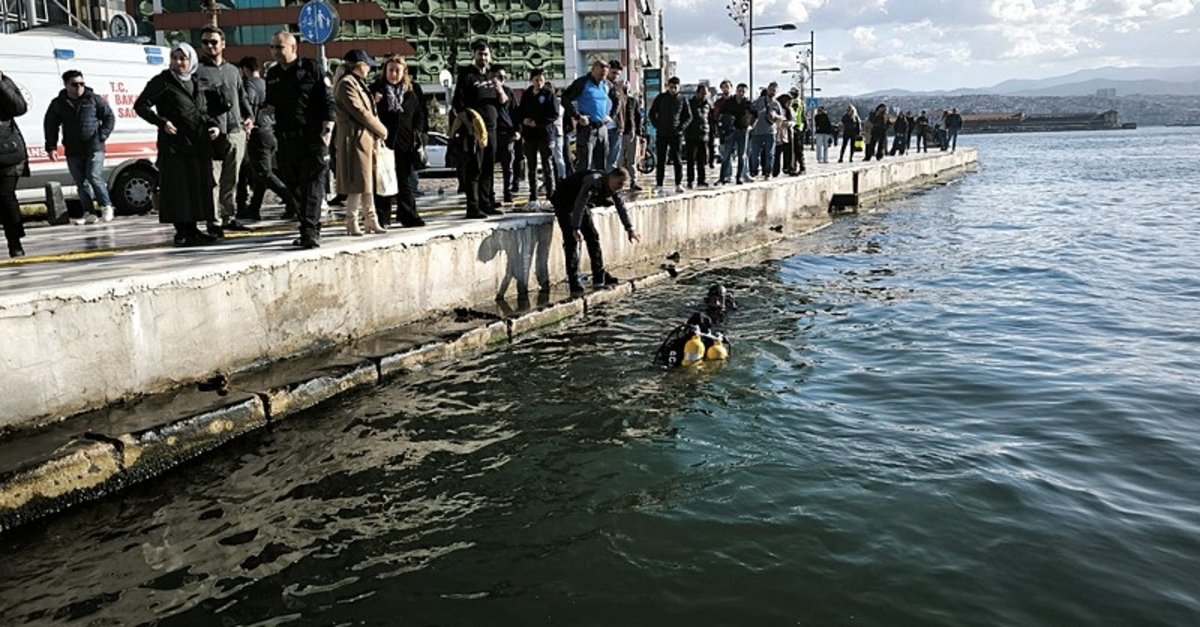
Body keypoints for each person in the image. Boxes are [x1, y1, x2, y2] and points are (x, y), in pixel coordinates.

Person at [133, 43, 224, 247]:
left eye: (183, 59)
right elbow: (141, 106)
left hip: (197, 145)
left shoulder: (196, 81)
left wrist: (213, 126)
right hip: (174, 146)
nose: (178, 63)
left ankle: (193, 229)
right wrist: (162, 122)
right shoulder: (162, 81)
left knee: (196, 187)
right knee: (178, 189)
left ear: (191, 61)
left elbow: (204, 112)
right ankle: (181, 231)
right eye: (175, 58)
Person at [265, 30, 335, 249]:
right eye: (273, 47)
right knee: (294, 186)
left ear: (293, 48)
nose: (276, 51)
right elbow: (271, 104)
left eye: (280, 47)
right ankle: (307, 227)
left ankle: (310, 232)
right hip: (286, 140)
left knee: (312, 185)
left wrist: (328, 129)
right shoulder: (273, 74)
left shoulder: (311, 69)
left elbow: (328, 100)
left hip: (312, 137)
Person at [196, 26, 254, 236]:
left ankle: (228, 216)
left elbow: (242, 96)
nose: (209, 46)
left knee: (232, 178)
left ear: (223, 44)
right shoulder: (199, 72)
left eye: (213, 42)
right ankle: (214, 221)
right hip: (215, 133)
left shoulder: (233, 70)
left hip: (236, 130)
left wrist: (249, 117)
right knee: (214, 179)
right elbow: (197, 105)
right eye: (205, 42)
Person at [550, 167, 641, 295]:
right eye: (619, 183)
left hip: (580, 202)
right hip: (564, 200)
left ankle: (599, 273)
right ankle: (573, 280)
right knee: (571, 241)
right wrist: (576, 228)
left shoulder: (614, 187)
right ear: (611, 177)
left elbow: (621, 206)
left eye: (623, 185)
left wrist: (630, 229)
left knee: (592, 236)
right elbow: (580, 204)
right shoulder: (593, 181)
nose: (620, 187)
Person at [43, 70, 116, 224]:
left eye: (82, 83)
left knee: (94, 176)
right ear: (66, 85)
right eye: (74, 84)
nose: (79, 87)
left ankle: (106, 206)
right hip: (73, 148)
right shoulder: (58, 104)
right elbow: (51, 125)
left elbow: (109, 117)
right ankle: (89, 212)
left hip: (94, 146)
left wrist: (101, 135)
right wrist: (51, 147)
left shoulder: (93, 99)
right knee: (81, 182)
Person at [333, 50, 388, 236]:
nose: (369, 68)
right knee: (357, 182)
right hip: (354, 138)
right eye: (367, 65)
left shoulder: (357, 83)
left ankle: (371, 219)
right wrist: (382, 129)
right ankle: (352, 220)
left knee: (367, 182)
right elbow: (360, 112)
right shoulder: (347, 84)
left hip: (364, 138)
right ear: (359, 66)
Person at [369, 55, 426, 228]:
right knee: (383, 180)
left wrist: (419, 136)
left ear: (404, 72)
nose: (393, 74)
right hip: (384, 142)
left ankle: (408, 214)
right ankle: (383, 217)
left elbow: (420, 115)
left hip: (407, 142)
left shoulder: (412, 90)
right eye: (390, 70)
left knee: (406, 181)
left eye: (397, 71)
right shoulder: (376, 89)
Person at [452, 40, 507, 218]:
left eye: (485, 54)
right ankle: (473, 206)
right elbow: (457, 104)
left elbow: (504, 102)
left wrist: (499, 89)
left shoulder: (492, 75)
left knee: (489, 168)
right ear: (474, 55)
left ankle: (486, 202)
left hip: (492, 128)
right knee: (474, 168)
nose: (483, 57)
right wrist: (469, 125)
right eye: (479, 54)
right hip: (474, 129)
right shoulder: (467, 75)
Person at [236, 56, 292, 221]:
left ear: (244, 69)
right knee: (259, 173)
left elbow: (248, 103)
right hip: (271, 132)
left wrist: (248, 119)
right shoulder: (266, 83)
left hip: (257, 132)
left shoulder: (249, 84)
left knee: (264, 172)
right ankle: (254, 207)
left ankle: (293, 200)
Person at [517, 68, 558, 205]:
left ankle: (551, 194)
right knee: (531, 165)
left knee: (547, 164)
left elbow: (553, 114)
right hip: (530, 135)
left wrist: (538, 122)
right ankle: (533, 195)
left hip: (545, 133)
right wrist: (524, 120)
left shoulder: (548, 94)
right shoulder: (527, 94)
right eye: (536, 80)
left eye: (541, 80)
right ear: (531, 80)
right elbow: (520, 111)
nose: (539, 83)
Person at [561, 60, 611, 172]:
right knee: (585, 164)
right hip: (587, 128)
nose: (602, 75)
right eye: (600, 72)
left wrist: (610, 115)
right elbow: (565, 99)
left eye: (604, 73)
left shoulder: (605, 85)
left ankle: (599, 188)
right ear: (593, 69)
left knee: (602, 164)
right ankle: (582, 188)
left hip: (602, 128)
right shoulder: (582, 83)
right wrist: (577, 116)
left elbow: (617, 98)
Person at [0, 69, 29, 257]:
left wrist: (0, 83)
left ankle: (15, 242)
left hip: (6, 151)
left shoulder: (4, 82)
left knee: (4, 195)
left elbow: (19, 108)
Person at [648, 76, 690, 193]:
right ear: (668, 86)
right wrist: (657, 125)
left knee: (677, 159)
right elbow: (652, 113)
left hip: (676, 134)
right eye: (671, 87)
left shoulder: (682, 99)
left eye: (675, 87)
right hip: (662, 133)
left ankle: (678, 184)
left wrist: (681, 127)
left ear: (678, 87)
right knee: (661, 160)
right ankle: (659, 185)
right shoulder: (660, 98)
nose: (673, 90)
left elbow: (688, 116)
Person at [492, 65, 521, 205]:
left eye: (504, 77)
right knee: (488, 166)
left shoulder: (509, 92)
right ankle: (489, 195)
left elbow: (515, 113)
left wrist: (517, 130)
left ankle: (507, 192)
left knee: (507, 166)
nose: (502, 79)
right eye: (499, 76)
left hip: (507, 133)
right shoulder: (488, 92)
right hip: (491, 133)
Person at [715, 81, 752, 185]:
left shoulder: (747, 103)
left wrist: (750, 126)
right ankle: (722, 178)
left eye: (743, 92)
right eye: (739, 91)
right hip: (730, 132)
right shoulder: (730, 102)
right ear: (736, 91)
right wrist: (723, 128)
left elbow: (755, 115)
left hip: (743, 131)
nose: (741, 93)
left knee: (742, 155)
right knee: (726, 155)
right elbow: (721, 115)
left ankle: (739, 177)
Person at [748, 83, 782, 179]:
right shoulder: (758, 102)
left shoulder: (776, 104)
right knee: (754, 154)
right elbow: (751, 113)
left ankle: (768, 172)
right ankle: (754, 171)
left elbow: (781, 117)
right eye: (771, 89)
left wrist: (775, 116)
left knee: (770, 154)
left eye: (774, 90)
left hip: (770, 132)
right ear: (767, 90)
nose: (772, 92)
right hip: (757, 132)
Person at [684, 84, 711, 188]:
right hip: (691, 135)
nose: (704, 95)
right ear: (697, 93)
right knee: (691, 160)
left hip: (704, 135)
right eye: (702, 93)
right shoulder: (690, 104)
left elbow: (710, 120)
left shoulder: (707, 105)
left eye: (706, 93)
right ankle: (690, 180)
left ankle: (701, 180)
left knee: (702, 160)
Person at [619, 87, 643, 191]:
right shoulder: (617, 100)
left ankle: (634, 181)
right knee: (618, 160)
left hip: (631, 133)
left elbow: (637, 117)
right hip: (619, 132)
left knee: (631, 160)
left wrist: (638, 132)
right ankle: (618, 182)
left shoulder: (633, 101)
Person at [605, 60, 626, 172]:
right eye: (613, 73)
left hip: (617, 127)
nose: (615, 76)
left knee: (613, 160)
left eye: (618, 74)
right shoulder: (601, 85)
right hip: (603, 126)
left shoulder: (619, 87)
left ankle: (610, 185)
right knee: (601, 159)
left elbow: (623, 108)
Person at [773, 92, 794, 177]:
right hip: (777, 133)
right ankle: (775, 170)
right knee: (776, 153)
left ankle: (787, 167)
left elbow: (793, 120)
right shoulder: (777, 108)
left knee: (787, 152)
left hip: (786, 133)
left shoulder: (789, 110)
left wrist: (790, 123)